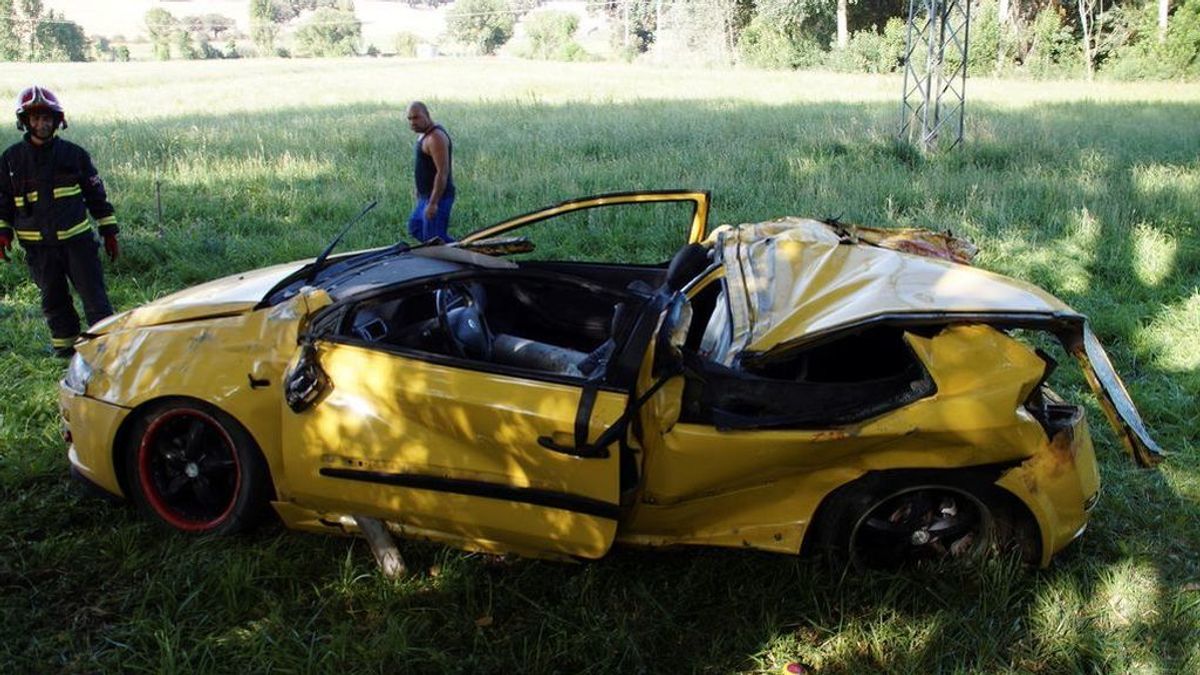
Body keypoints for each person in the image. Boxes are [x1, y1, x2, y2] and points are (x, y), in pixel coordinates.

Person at [0, 85, 119, 357]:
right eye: (35, 118)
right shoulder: (10, 160)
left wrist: (109, 230)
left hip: (77, 244)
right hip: (38, 249)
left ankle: (107, 351)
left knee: (95, 299)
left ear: (56, 120)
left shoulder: (74, 155)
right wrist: (3, 232)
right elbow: (3, 200)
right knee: (54, 301)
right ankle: (65, 354)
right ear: (25, 122)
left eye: (46, 118)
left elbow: (96, 195)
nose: (41, 123)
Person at [405, 101, 455, 242]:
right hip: (425, 197)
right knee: (415, 227)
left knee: (434, 238)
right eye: (409, 119)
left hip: (438, 197)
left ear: (427, 115)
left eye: (416, 117)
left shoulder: (435, 138)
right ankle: (448, 250)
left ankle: (464, 254)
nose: (412, 122)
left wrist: (433, 203)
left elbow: (442, 172)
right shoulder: (424, 135)